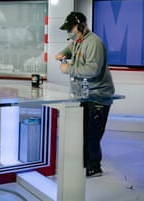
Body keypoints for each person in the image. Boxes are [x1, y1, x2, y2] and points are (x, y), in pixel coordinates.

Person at [55, 11, 115, 178]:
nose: (70, 32)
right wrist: (63, 54)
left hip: (98, 97)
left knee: (92, 135)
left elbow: (92, 70)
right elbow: (72, 48)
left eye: (71, 28)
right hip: (85, 95)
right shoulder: (79, 40)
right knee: (83, 132)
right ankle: (84, 164)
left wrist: (68, 69)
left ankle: (94, 167)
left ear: (80, 25)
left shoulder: (94, 43)